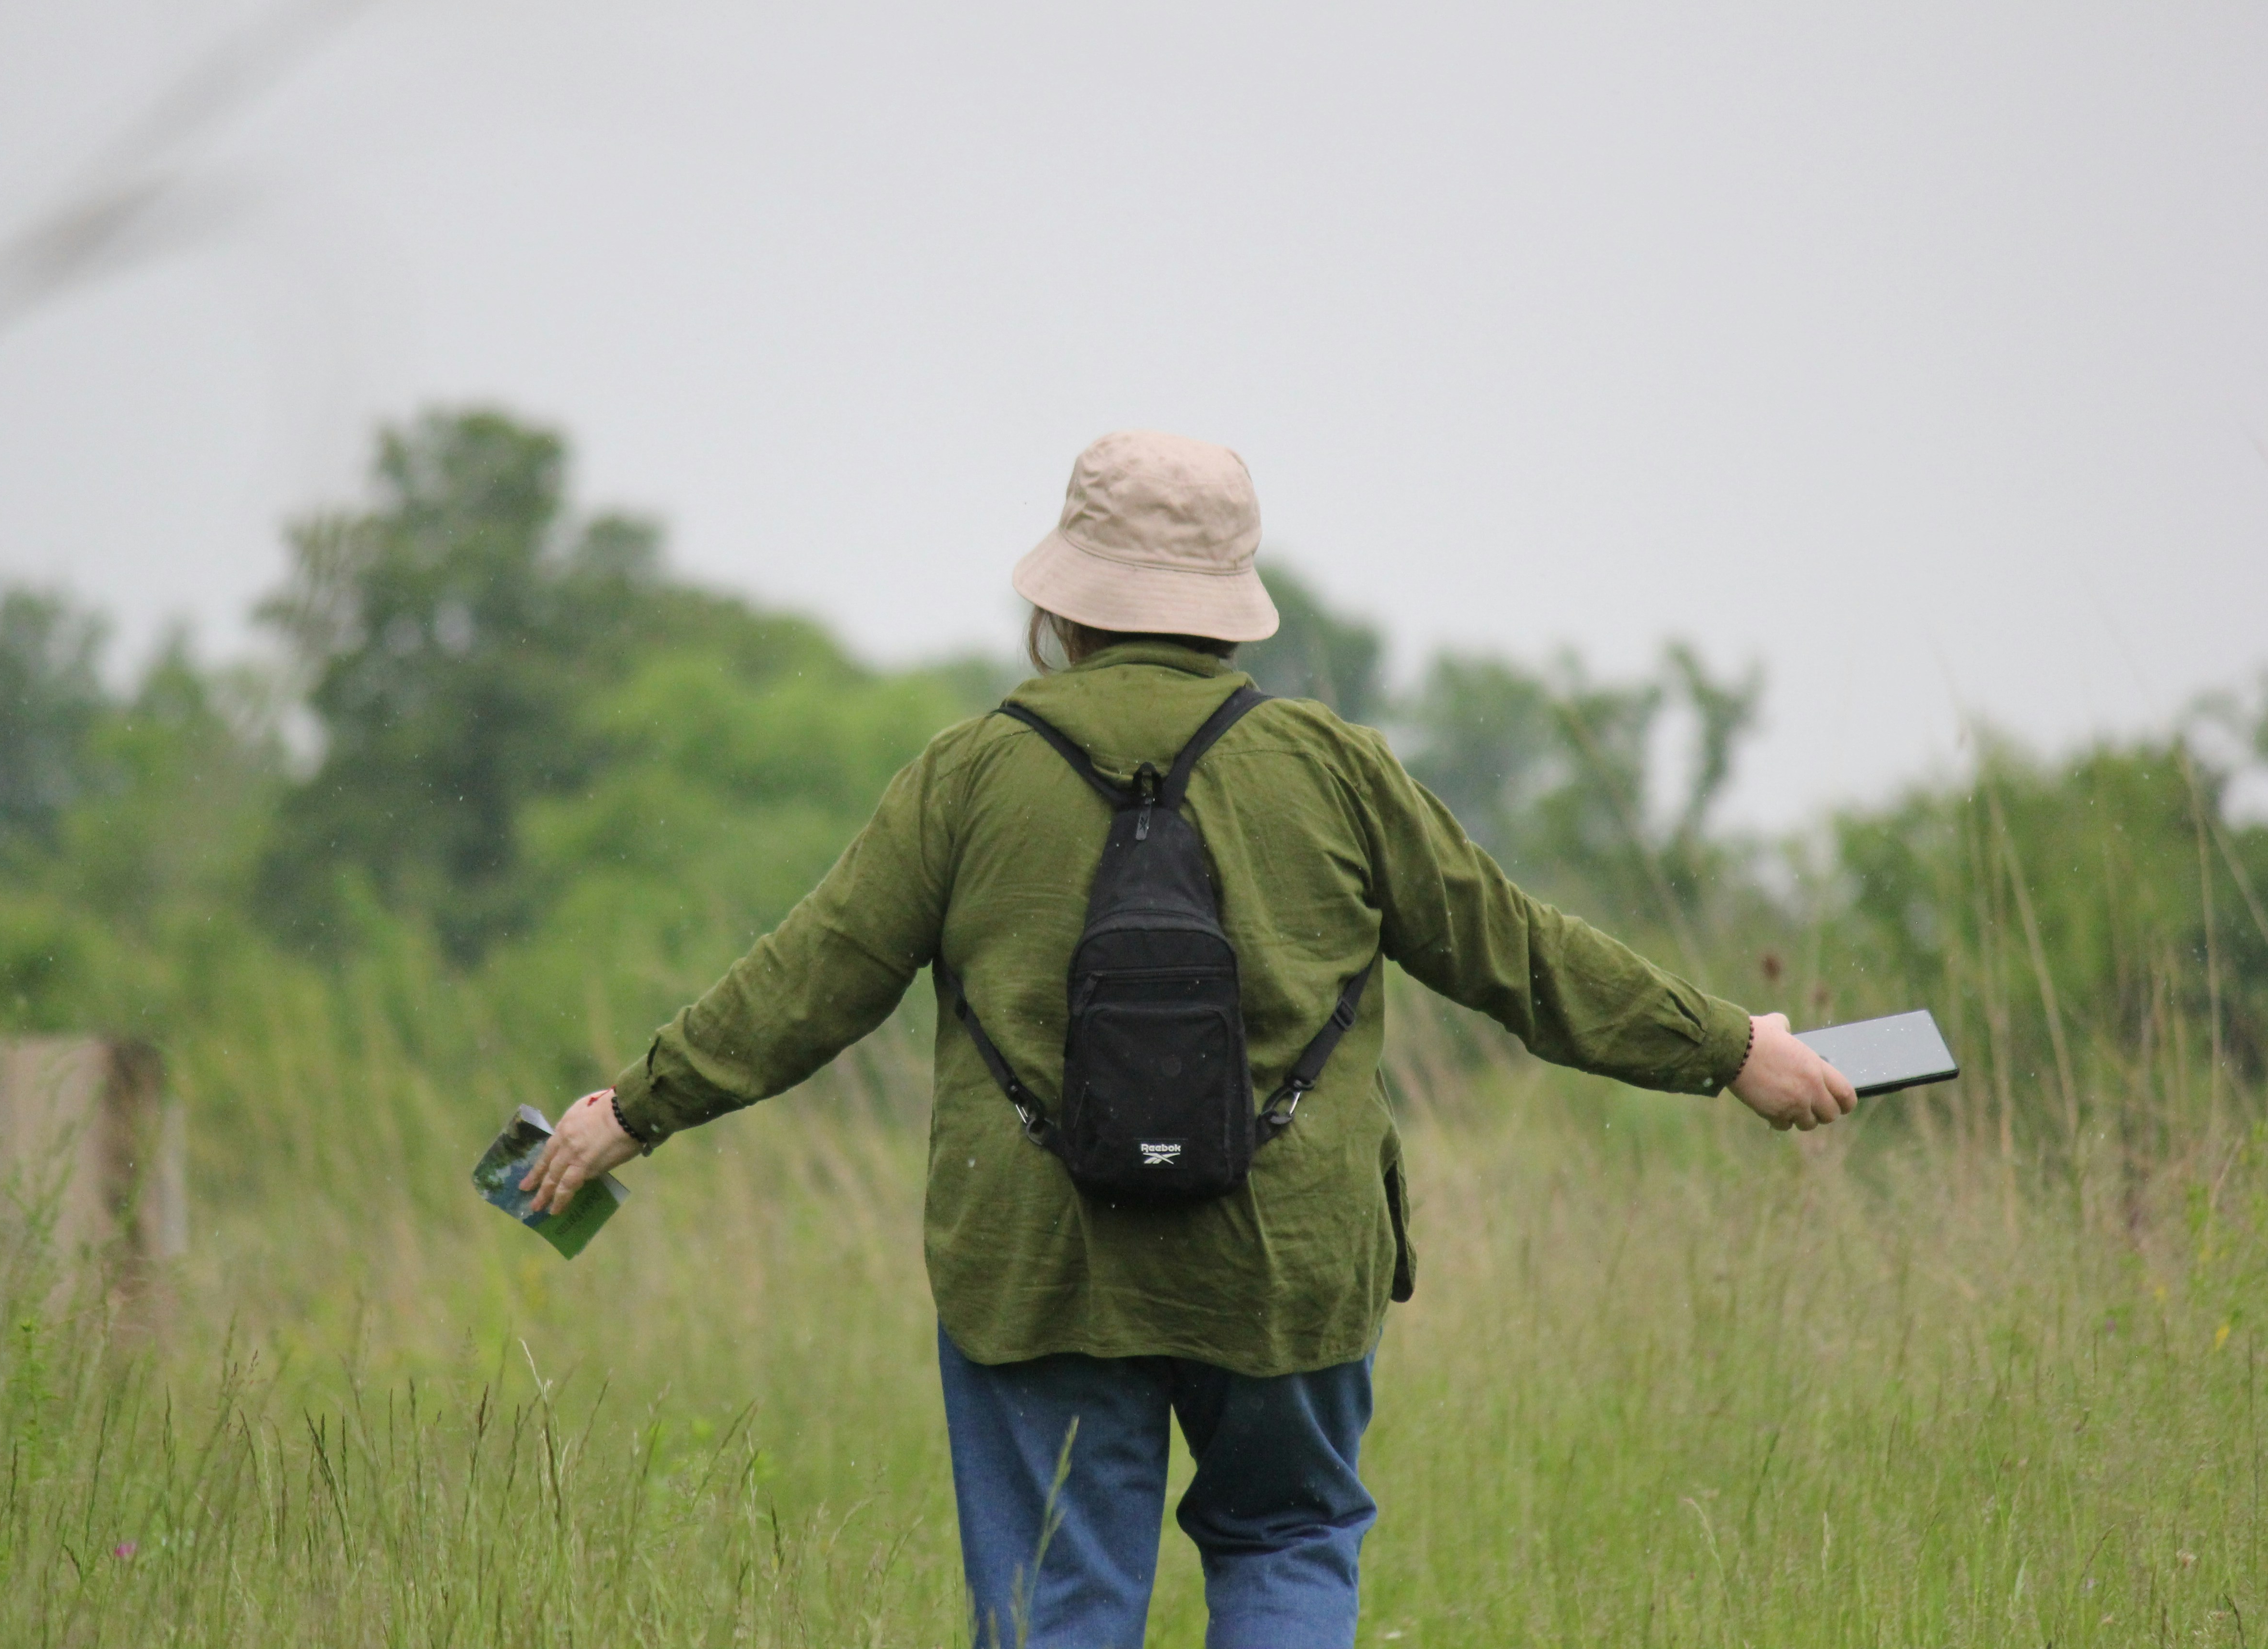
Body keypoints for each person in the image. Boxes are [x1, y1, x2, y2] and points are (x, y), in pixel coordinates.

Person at [523, 430, 1857, 1649]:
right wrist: (1731, 1047)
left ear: (1060, 602)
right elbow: (1518, 954)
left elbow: (811, 982)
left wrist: (636, 1107)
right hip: (1286, 1265)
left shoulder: (968, 773)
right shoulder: (1334, 766)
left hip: (1042, 1266)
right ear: (1229, 600)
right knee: (1285, 1543)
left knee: (1059, 1606)